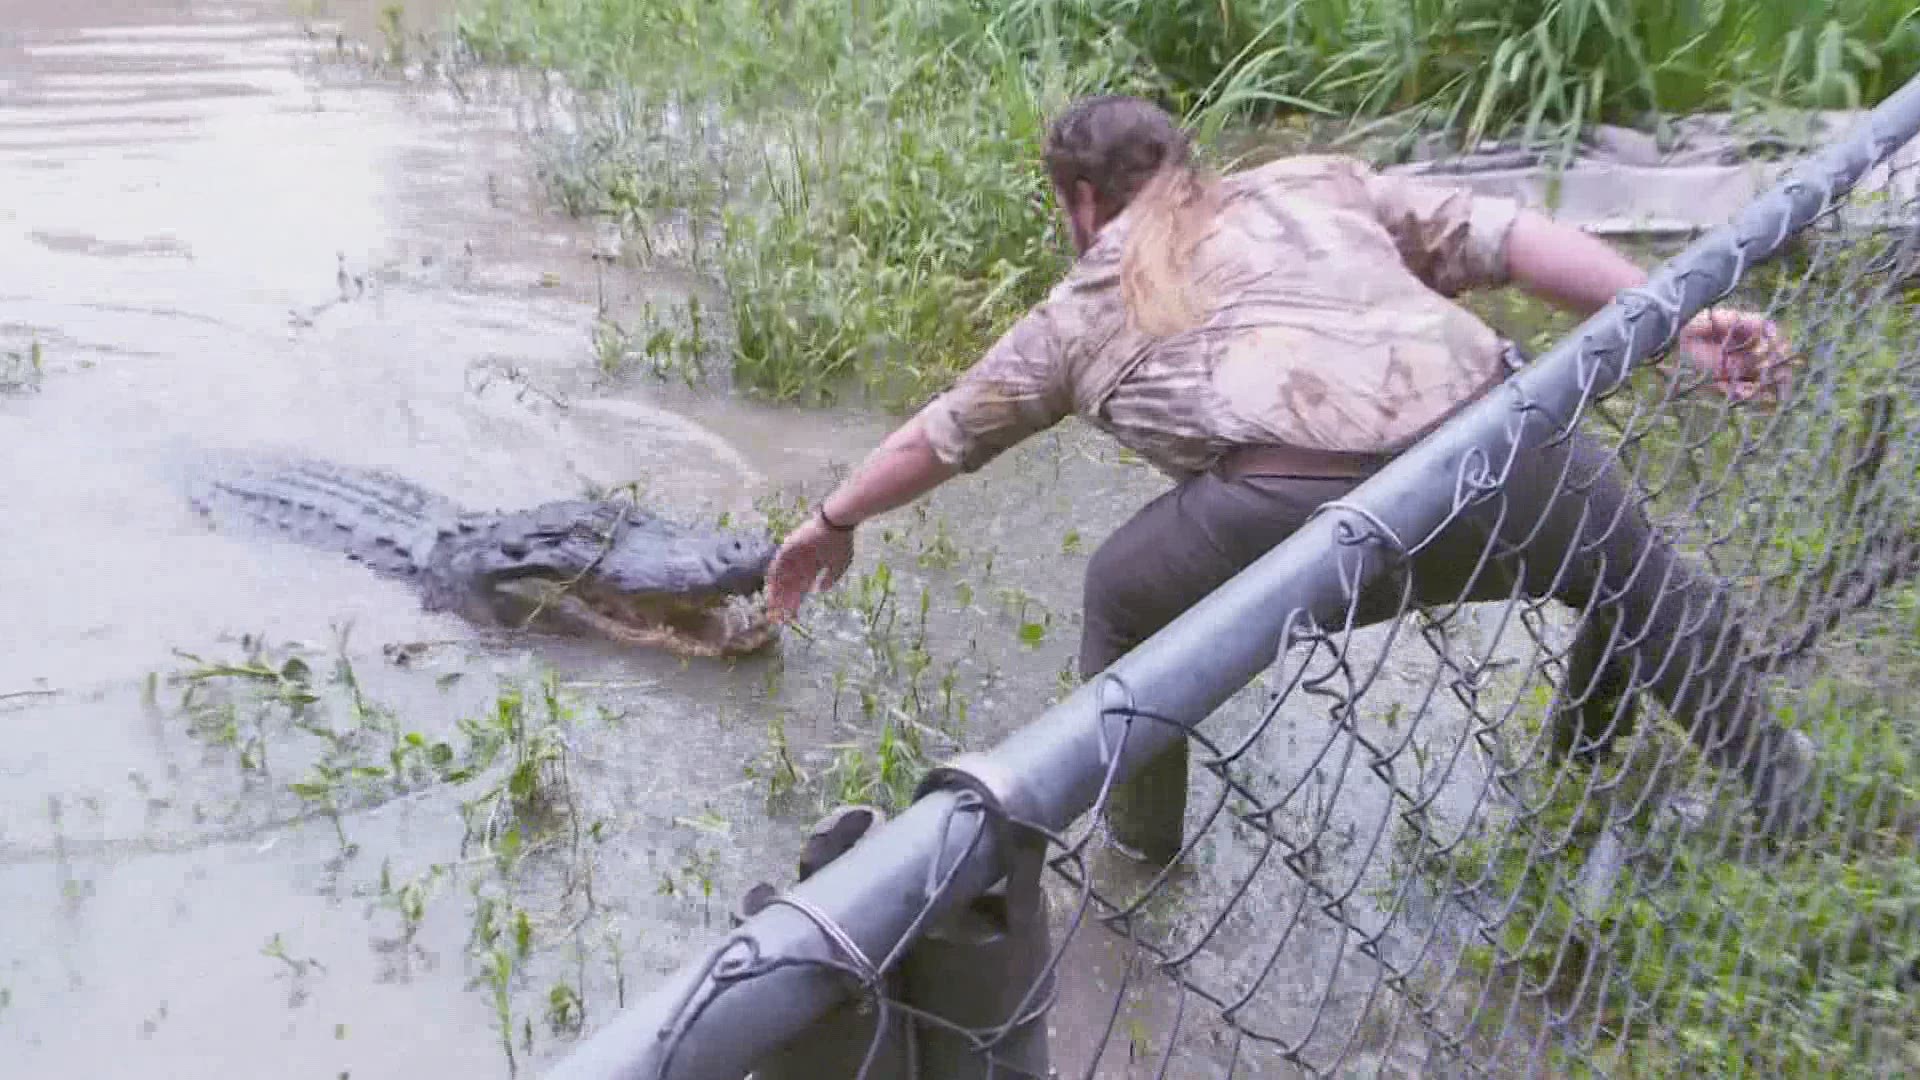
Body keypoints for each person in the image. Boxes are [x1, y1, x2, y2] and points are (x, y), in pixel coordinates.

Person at [763, 94, 1815, 867]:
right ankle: (1785, 805)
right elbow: (1510, 236)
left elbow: (945, 433)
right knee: (1634, 571)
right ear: (1186, 160)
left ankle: (1141, 859)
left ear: (1083, 202)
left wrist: (830, 517)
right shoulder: (1319, 183)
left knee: (1122, 598)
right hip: (1504, 456)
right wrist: (1676, 318)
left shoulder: (1085, 296)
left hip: (1301, 516)